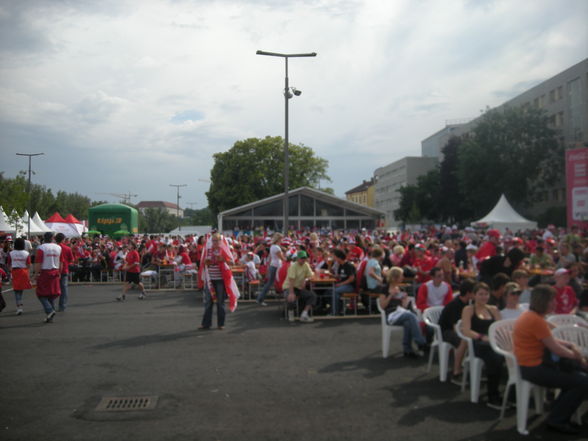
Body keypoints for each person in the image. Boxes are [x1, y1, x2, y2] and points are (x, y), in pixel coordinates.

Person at [513, 284, 588, 434]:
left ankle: (558, 410)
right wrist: (578, 356)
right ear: (543, 302)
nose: (555, 303)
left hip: (534, 364)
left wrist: (570, 345)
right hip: (533, 368)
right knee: (582, 381)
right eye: (552, 300)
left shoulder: (533, 316)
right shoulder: (536, 320)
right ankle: (557, 420)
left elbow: (549, 340)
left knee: (577, 376)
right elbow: (555, 349)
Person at [461, 282, 504, 409]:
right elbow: (466, 330)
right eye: (480, 294)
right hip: (478, 343)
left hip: (493, 341)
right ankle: (493, 395)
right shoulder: (468, 309)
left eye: (486, 294)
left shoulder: (493, 309)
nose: (483, 297)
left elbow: (499, 327)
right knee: (495, 358)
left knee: (505, 355)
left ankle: (510, 393)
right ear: (474, 295)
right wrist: (481, 337)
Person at [379, 267, 427, 358]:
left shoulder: (401, 289)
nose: (403, 278)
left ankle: (407, 349)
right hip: (391, 315)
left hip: (401, 313)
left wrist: (405, 301)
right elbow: (382, 306)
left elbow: (404, 308)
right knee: (410, 315)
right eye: (401, 276)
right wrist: (391, 295)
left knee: (408, 322)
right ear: (395, 277)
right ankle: (420, 342)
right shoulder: (385, 289)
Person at [199, 233, 240, 330]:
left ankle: (221, 324)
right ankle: (206, 324)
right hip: (210, 279)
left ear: (220, 241)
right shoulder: (208, 250)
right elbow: (203, 263)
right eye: (213, 240)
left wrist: (223, 259)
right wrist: (206, 262)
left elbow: (232, 262)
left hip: (220, 279)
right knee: (208, 302)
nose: (215, 242)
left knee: (220, 302)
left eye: (217, 240)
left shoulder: (223, 250)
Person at [439, 278, 476, 384]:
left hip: (458, 329)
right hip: (446, 331)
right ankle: (456, 372)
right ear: (469, 293)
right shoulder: (455, 305)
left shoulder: (468, 304)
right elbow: (456, 328)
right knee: (464, 341)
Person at [34, 232, 62, 323]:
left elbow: (38, 262)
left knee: (41, 293)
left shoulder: (41, 248)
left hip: (45, 272)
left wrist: (35, 274)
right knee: (51, 294)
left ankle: (50, 310)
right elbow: (61, 261)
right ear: (52, 238)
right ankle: (50, 316)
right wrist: (60, 272)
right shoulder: (58, 247)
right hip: (55, 271)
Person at [283, 250, 316, 323]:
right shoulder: (293, 266)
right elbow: (291, 281)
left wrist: (305, 279)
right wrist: (291, 292)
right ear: (297, 259)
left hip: (298, 288)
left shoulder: (306, 265)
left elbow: (311, 275)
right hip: (289, 287)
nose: (303, 260)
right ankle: (290, 313)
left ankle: (304, 314)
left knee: (312, 296)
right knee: (291, 297)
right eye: (301, 258)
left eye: (304, 258)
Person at [256, 233, 285, 307]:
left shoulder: (273, 246)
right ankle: (260, 299)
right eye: (281, 239)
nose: (281, 240)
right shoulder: (277, 248)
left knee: (269, 283)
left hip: (273, 265)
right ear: (278, 239)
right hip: (276, 266)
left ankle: (260, 298)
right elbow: (282, 258)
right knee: (270, 283)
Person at [7, 237, 32, 315]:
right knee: (20, 290)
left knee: (16, 290)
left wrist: (11, 271)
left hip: (15, 271)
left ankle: (19, 307)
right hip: (23, 271)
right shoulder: (26, 253)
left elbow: (8, 264)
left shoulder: (11, 253)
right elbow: (28, 265)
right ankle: (19, 304)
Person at [330, 249, 356, 316]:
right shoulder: (340, 265)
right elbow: (340, 276)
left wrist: (340, 284)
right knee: (329, 291)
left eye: (334, 257)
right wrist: (332, 275)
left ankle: (335, 312)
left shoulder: (348, 265)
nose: (334, 258)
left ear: (339, 257)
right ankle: (339, 309)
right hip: (344, 285)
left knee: (335, 291)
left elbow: (351, 279)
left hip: (350, 286)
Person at [55, 233, 74, 312]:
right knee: (64, 289)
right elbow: (71, 260)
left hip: (54, 269)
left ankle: (51, 304)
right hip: (64, 270)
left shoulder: (53, 248)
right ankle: (62, 306)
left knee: (52, 288)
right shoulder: (67, 248)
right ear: (63, 239)